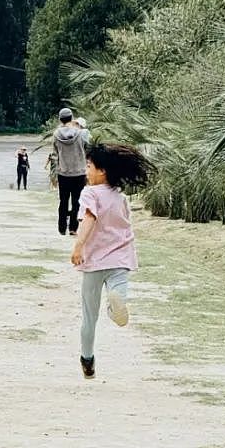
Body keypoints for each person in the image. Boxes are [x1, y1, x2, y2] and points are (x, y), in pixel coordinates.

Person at [70, 142, 150, 379]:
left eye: (89, 166)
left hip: (95, 260)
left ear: (101, 171)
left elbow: (89, 219)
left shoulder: (90, 193)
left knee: (89, 316)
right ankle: (116, 305)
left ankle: (87, 358)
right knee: (119, 290)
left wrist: (78, 245)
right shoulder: (120, 196)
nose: (86, 170)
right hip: (121, 256)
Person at [51, 107, 88, 235]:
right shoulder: (81, 133)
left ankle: (62, 228)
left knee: (63, 200)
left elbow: (55, 152)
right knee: (77, 201)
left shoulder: (56, 135)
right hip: (79, 172)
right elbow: (86, 148)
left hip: (63, 172)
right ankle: (73, 228)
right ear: (72, 118)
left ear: (60, 119)